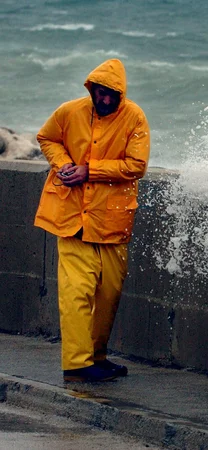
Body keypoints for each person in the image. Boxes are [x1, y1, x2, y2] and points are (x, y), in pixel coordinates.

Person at [34, 59, 150, 382]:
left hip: (112, 222)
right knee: (76, 291)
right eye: (100, 93)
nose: (105, 100)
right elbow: (46, 138)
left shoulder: (135, 118)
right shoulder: (70, 112)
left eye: (112, 95)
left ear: (121, 94)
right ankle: (76, 363)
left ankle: (95, 356)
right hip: (71, 217)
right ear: (91, 89)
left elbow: (137, 165)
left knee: (108, 294)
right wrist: (63, 164)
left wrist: (90, 170)